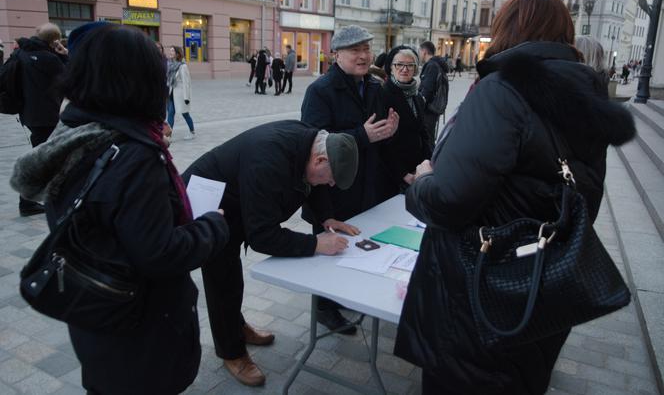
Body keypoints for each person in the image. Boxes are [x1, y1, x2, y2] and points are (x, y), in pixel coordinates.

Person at [394, 0, 636, 395]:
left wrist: (421, 183)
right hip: (543, 282)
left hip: (479, 291)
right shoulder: (585, 98)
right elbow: (584, 203)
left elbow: (450, 200)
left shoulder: (503, 91)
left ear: (507, 30)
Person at [10, 23, 229, 394]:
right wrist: (212, 226)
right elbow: (158, 253)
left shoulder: (73, 131)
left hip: (96, 315)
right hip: (140, 328)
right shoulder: (133, 156)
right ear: (138, 80)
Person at [182, 120, 359, 387]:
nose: (330, 184)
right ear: (321, 158)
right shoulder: (269, 160)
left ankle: (236, 326)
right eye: (331, 177)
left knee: (230, 277)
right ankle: (232, 351)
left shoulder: (309, 143)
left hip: (239, 198)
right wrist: (315, 244)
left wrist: (327, 218)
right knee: (222, 276)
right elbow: (262, 236)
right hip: (209, 203)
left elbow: (315, 185)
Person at [301, 24, 399, 334]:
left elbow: (376, 135)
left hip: (365, 184)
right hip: (330, 188)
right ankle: (325, 309)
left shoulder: (372, 87)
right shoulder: (320, 91)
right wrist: (363, 135)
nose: (363, 56)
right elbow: (315, 142)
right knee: (329, 249)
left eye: (366, 49)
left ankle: (344, 296)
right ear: (336, 55)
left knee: (355, 245)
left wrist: (387, 133)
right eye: (355, 50)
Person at [15, 23, 69, 216]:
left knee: (44, 155)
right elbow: (72, 77)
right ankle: (27, 202)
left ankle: (31, 200)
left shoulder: (22, 54)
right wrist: (64, 54)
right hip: (46, 115)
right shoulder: (49, 59)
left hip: (29, 114)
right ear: (54, 40)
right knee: (45, 158)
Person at [378, 45, 432, 192]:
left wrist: (428, 161)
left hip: (419, 168)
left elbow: (423, 132)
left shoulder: (416, 95)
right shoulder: (383, 95)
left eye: (410, 65)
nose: (404, 69)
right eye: (399, 64)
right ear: (391, 68)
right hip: (395, 174)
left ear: (415, 69)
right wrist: (403, 174)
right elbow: (383, 143)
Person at [418, 40, 449, 142]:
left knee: (427, 139)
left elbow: (427, 89)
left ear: (424, 52)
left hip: (428, 110)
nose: (419, 54)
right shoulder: (437, 65)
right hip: (433, 108)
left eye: (420, 51)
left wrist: (419, 105)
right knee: (429, 137)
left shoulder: (431, 66)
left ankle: (430, 157)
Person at [166, 46, 196, 139]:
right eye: (170, 50)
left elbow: (186, 82)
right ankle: (168, 136)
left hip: (180, 95)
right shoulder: (170, 64)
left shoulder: (182, 66)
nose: (170, 52)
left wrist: (186, 97)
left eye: (172, 51)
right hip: (171, 93)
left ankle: (192, 132)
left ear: (177, 53)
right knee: (170, 113)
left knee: (185, 114)